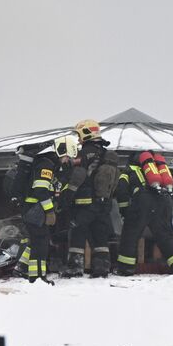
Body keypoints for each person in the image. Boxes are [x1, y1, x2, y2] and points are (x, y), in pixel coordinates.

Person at [14, 134, 78, 282]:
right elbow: (41, 191)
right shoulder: (46, 164)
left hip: (34, 209)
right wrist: (49, 211)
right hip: (34, 209)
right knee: (40, 244)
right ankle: (37, 277)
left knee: (38, 242)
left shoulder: (50, 164)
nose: (67, 161)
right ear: (62, 151)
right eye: (67, 156)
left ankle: (27, 271)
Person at [61, 119, 118, 278]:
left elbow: (77, 174)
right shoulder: (106, 153)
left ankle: (75, 268)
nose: (78, 139)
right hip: (103, 204)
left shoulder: (85, 152)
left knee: (78, 234)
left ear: (86, 133)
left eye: (79, 135)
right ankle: (102, 269)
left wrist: (68, 163)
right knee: (100, 237)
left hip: (84, 204)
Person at [114, 150, 173, 275]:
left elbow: (122, 191)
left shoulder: (129, 170)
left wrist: (124, 210)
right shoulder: (157, 170)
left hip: (142, 200)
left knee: (130, 235)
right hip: (164, 199)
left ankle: (126, 268)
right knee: (166, 235)